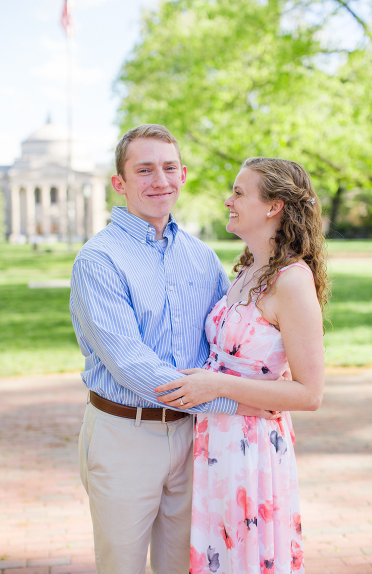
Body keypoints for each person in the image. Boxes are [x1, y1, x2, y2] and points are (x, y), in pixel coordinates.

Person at [70, 124, 279, 574]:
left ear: (183, 175)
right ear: (119, 183)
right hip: (125, 433)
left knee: (185, 564)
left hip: (197, 437)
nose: (159, 181)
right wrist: (236, 400)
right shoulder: (98, 259)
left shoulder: (202, 257)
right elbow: (130, 364)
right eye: (144, 170)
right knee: (120, 566)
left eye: (168, 168)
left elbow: (224, 339)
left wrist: (260, 381)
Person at [155, 157, 328, 573]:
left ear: (273, 207)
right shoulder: (249, 268)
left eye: (238, 192)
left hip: (252, 451)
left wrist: (217, 386)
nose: (228, 199)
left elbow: (309, 393)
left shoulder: (292, 280)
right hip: (215, 440)